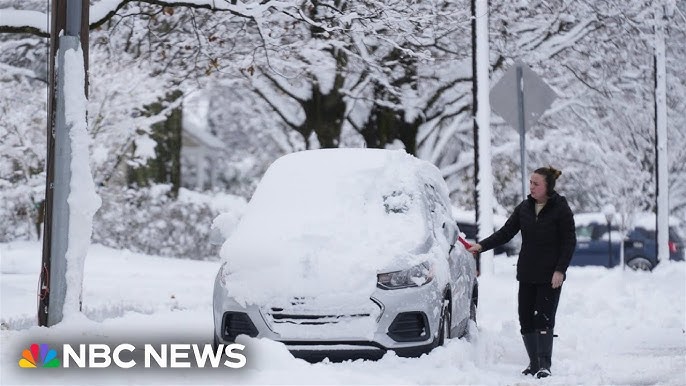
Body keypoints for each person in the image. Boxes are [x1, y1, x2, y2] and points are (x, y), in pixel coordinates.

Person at [467, 166, 576, 378]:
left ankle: (545, 364)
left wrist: (560, 270)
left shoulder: (561, 209)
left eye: (536, 184)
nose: (532, 187)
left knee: (543, 318)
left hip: (550, 275)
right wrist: (481, 246)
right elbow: (506, 233)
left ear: (547, 187)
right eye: (531, 183)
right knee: (525, 318)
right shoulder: (525, 208)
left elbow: (569, 242)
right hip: (527, 273)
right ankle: (534, 364)